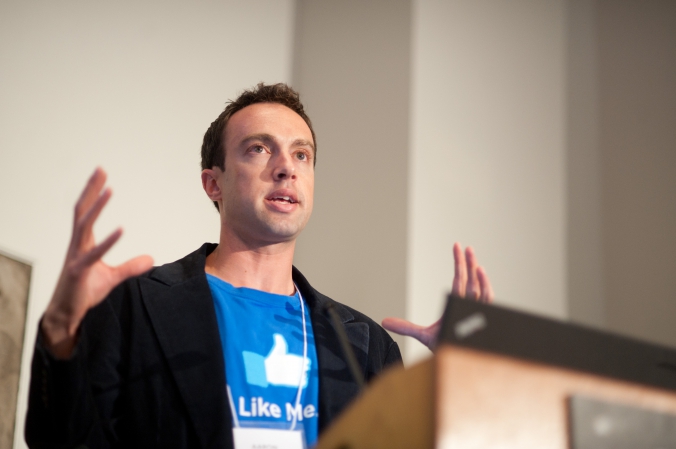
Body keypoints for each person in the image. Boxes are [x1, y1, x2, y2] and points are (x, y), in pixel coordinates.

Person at [25, 83, 493, 448]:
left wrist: (464, 387)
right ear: (214, 183)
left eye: (301, 154)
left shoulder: (364, 345)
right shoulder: (137, 307)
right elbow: (63, 441)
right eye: (259, 149)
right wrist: (64, 326)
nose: (286, 167)